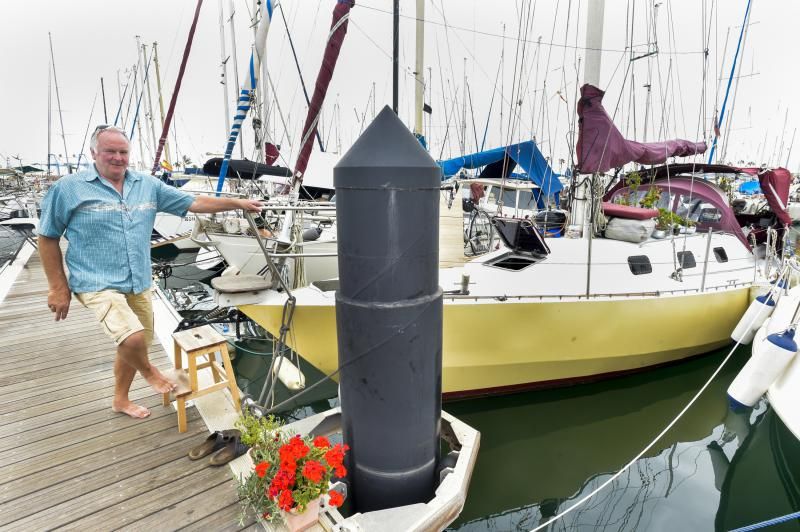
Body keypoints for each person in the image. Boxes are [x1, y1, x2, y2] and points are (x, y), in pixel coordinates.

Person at [38, 125, 263, 419]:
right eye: (110, 151)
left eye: (123, 152)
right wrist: (58, 287)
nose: (118, 158)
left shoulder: (147, 185)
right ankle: (152, 374)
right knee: (132, 338)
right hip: (95, 282)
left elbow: (194, 202)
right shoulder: (68, 188)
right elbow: (47, 236)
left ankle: (120, 399)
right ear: (94, 152)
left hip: (138, 280)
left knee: (134, 344)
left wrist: (237, 203)